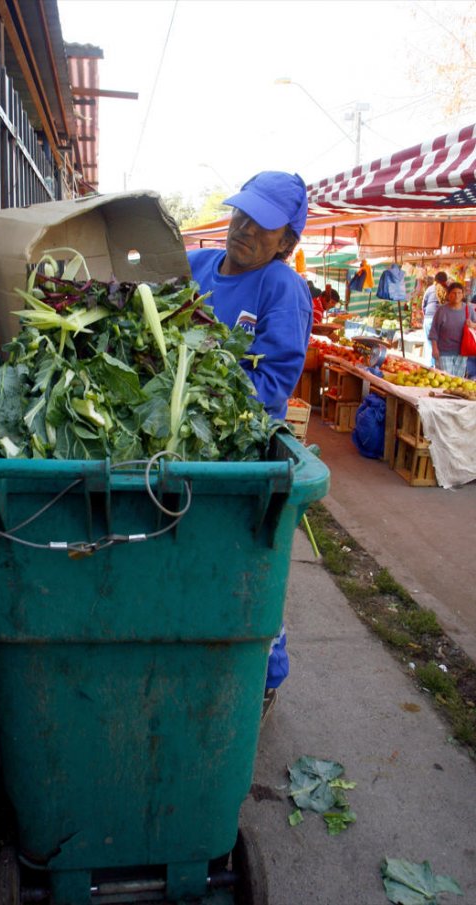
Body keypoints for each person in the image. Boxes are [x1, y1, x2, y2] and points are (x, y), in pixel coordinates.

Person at [187, 171, 312, 718]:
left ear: (286, 241)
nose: (243, 227)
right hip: (179, 445)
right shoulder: (194, 264)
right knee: (192, 560)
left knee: (248, 570)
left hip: (242, 452)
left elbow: (273, 383)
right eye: (240, 213)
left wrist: (197, 398)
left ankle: (264, 677)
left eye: (262, 224)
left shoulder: (281, 287)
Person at [429, 281, 476, 376]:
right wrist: (434, 348)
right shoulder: (442, 311)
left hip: (462, 352)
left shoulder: (469, 310)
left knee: (457, 381)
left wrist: (472, 325)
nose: (457, 296)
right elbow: (434, 331)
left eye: (459, 293)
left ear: (463, 295)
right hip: (444, 352)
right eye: (454, 293)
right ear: (448, 295)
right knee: (445, 379)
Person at [422, 271, 448, 366]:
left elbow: (423, 305)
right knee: (438, 344)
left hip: (428, 319)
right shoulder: (447, 290)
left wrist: (426, 316)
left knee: (429, 345)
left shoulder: (429, 289)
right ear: (445, 281)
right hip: (442, 320)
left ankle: (429, 366)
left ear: (435, 280)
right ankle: (437, 367)